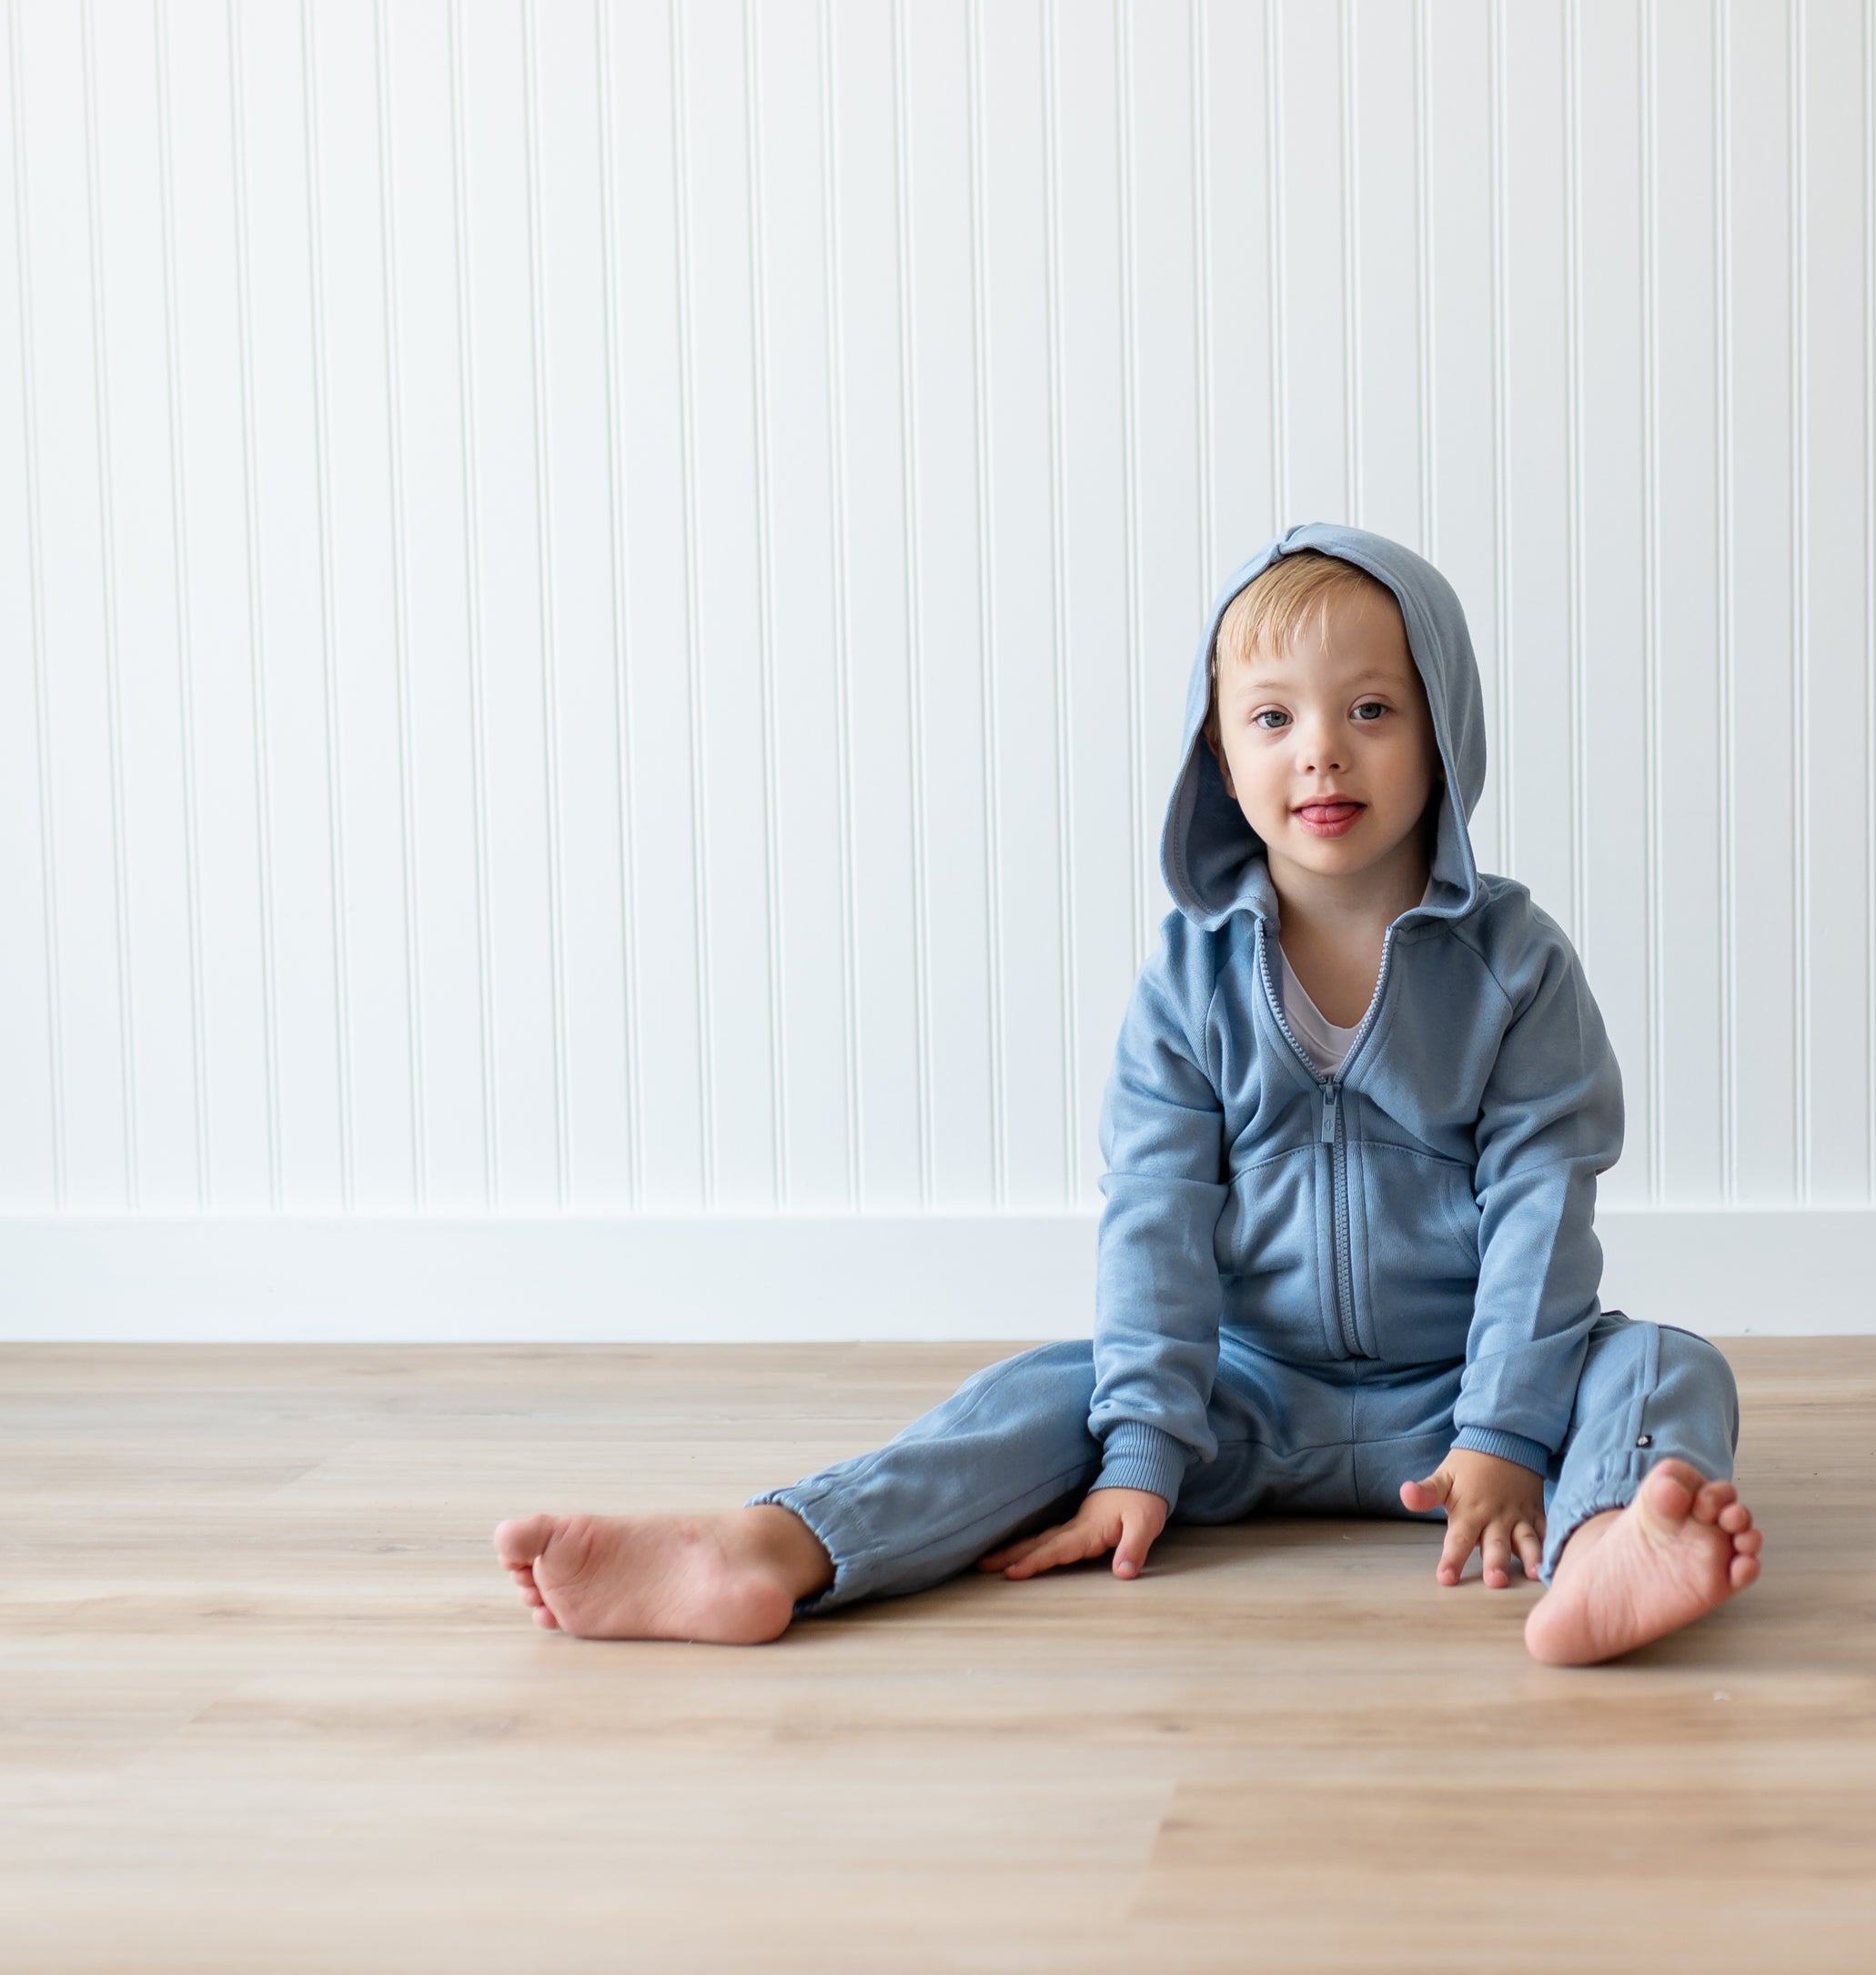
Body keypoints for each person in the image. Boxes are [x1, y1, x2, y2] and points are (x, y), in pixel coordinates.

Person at [494, 527, 1761, 1666]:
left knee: (1660, 1364)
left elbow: (1543, 1205)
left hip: (1463, 1402)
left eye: (1371, 708)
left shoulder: (1517, 966)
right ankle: (772, 1549)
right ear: (1218, 752)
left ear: (1445, 733)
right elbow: (1155, 1217)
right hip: (1242, 1395)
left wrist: (1505, 1434)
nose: (1321, 747)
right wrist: (1143, 1452)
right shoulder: (1188, 978)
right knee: (1052, 1390)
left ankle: (1606, 1543)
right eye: (1273, 718)